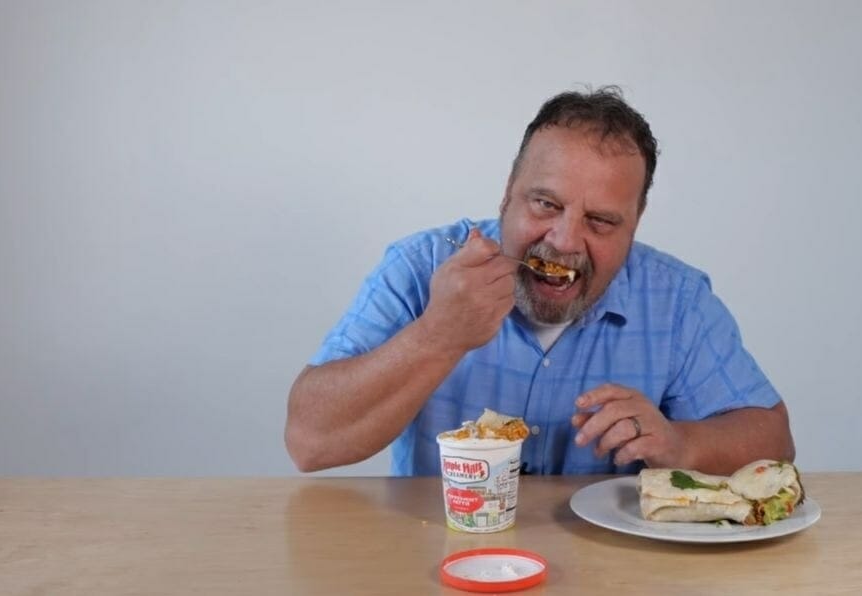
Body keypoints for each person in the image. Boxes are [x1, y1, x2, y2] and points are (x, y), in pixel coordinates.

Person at [286, 86, 794, 476]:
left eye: (601, 221)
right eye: (546, 204)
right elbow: (308, 442)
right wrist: (438, 335)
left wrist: (681, 444)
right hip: (435, 556)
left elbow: (774, 442)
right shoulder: (420, 267)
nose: (566, 240)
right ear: (507, 193)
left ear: (635, 224)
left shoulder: (677, 300)